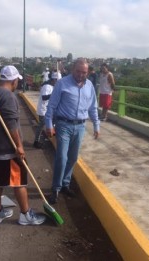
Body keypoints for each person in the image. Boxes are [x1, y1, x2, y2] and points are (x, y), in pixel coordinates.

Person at [0, 65, 46, 225]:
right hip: (8, 150)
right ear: (13, 80)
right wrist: (19, 146)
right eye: (17, 81)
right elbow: (12, 124)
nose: (17, 84)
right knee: (19, 182)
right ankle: (25, 215)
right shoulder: (9, 97)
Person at [44, 58, 100, 204]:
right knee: (62, 158)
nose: (81, 75)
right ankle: (55, 188)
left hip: (81, 126)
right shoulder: (62, 83)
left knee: (73, 157)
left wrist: (96, 125)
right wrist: (49, 124)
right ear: (72, 70)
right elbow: (51, 106)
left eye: (84, 72)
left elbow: (93, 107)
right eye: (78, 71)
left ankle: (65, 184)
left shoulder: (89, 86)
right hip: (64, 125)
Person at [33, 71, 58, 149]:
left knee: (53, 122)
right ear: (54, 80)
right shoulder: (47, 86)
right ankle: (36, 141)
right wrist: (54, 94)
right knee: (41, 126)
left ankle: (49, 135)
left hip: (49, 110)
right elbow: (44, 97)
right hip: (43, 110)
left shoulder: (53, 86)